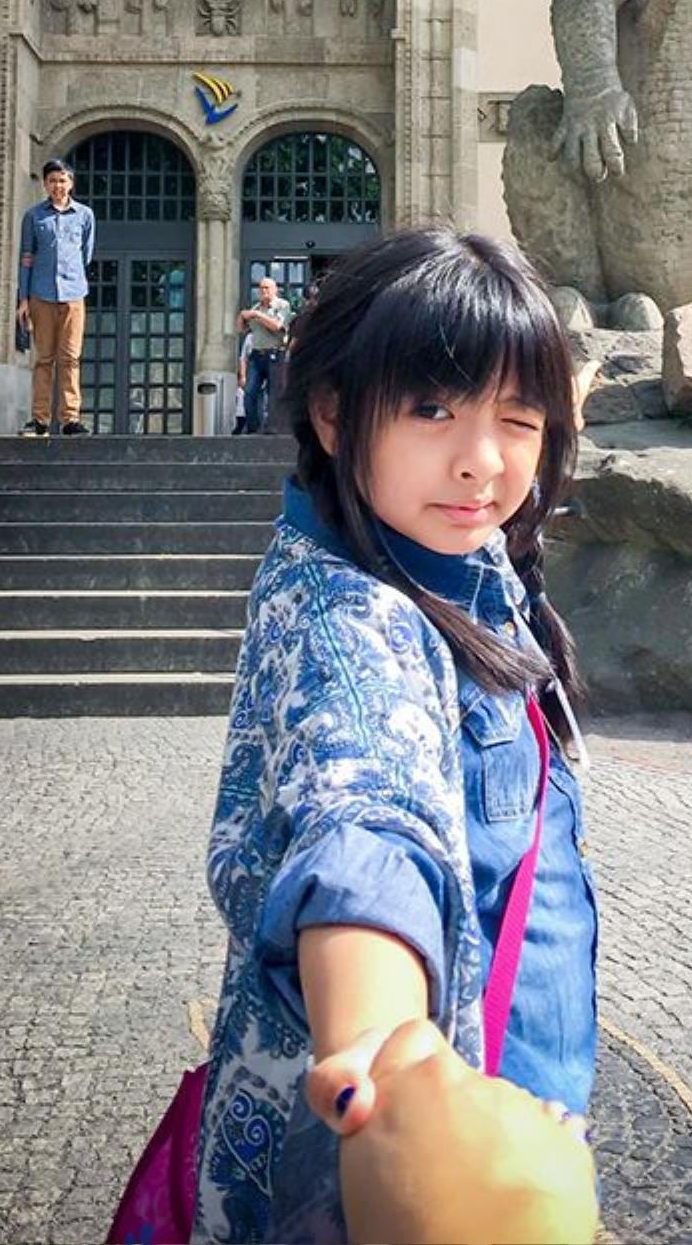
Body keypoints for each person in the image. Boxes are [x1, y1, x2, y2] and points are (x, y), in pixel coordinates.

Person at [193, 228, 599, 1245]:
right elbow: (365, 817)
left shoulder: (449, 551)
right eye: (432, 408)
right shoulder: (351, 620)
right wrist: (383, 1049)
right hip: (430, 1170)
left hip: (513, 1119)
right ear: (331, 410)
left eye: (519, 417)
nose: (483, 460)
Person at [16, 156, 96, 436]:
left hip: (74, 293)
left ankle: (70, 418)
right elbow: (26, 257)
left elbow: (86, 254)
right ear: (46, 184)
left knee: (71, 358)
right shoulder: (34, 216)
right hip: (41, 293)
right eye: (52, 180)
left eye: (62, 180)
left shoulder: (85, 215)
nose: (58, 185)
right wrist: (23, 298)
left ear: (71, 183)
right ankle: (40, 419)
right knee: (44, 359)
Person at [235, 273, 292, 433]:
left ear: (275, 290)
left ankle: (272, 428)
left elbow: (277, 326)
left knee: (274, 393)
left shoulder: (282, 305)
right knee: (249, 392)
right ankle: (253, 428)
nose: (263, 291)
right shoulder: (255, 307)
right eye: (261, 288)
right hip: (256, 355)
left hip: (275, 354)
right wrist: (241, 315)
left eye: (267, 288)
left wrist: (257, 315)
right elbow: (241, 329)